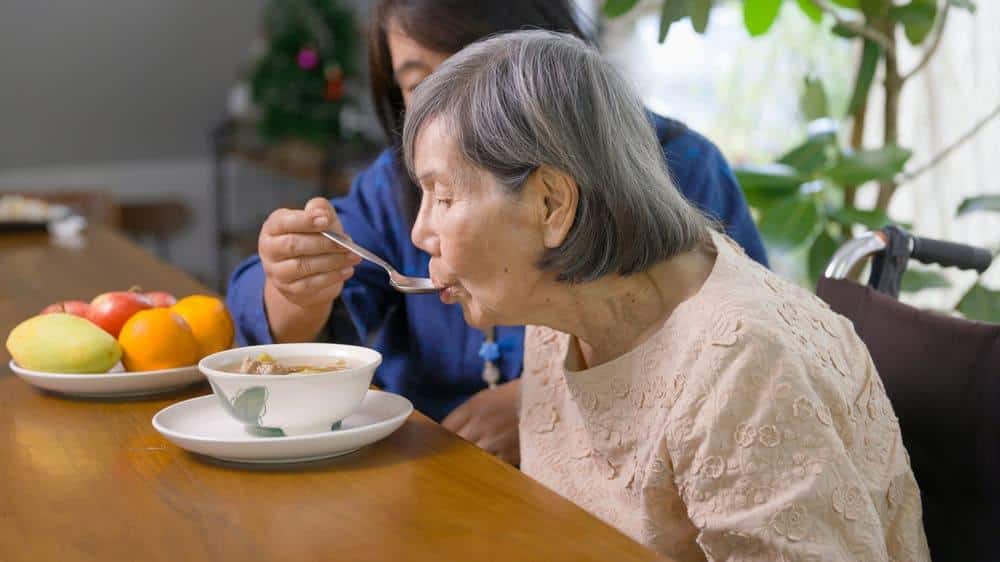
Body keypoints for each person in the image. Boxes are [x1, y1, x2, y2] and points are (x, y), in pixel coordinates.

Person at [402, 29, 929, 561]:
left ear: (550, 204)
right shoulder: (560, 305)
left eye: (443, 196)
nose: (421, 233)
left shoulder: (743, 364)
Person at [226, 0, 767, 466]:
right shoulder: (394, 188)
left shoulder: (678, 170)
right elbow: (284, 334)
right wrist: (296, 283)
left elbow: (733, 357)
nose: (447, 105)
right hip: (431, 480)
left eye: (474, 68)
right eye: (420, 83)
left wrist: (550, 401)